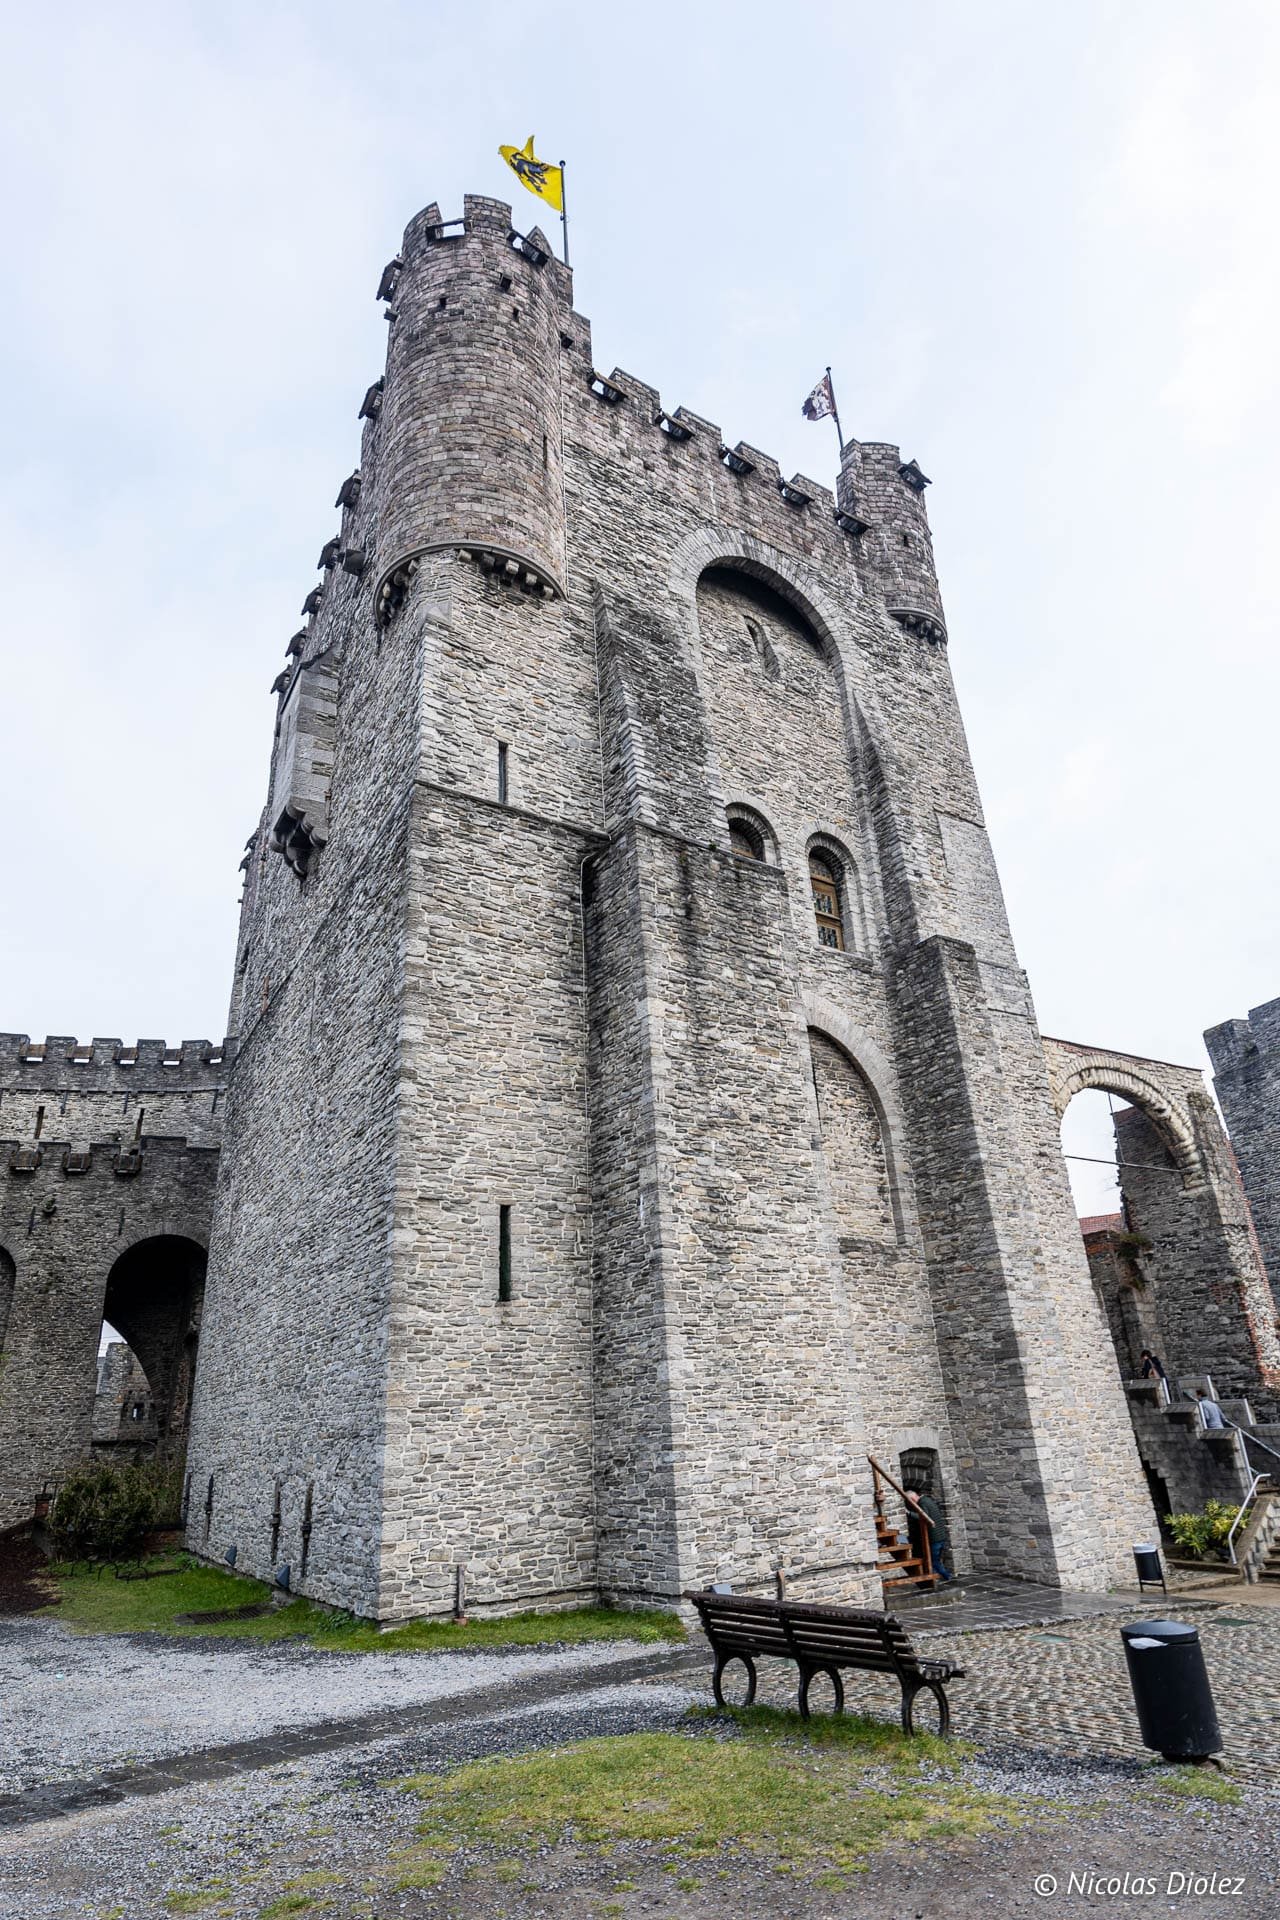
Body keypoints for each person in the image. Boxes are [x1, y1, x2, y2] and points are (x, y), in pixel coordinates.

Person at [906, 1488, 954, 1582]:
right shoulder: (927, 1500)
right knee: (935, 1560)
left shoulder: (922, 1503)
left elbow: (924, 1517)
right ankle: (940, 1577)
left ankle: (944, 1576)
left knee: (933, 1560)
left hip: (935, 1537)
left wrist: (909, 1513)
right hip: (940, 1536)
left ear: (912, 1499)